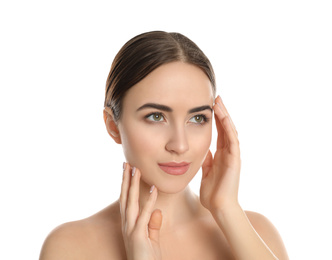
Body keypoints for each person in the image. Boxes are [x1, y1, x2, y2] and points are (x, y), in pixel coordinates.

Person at [39, 31, 289, 260]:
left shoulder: (257, 234)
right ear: (113, 125)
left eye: (197, 118)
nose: (179, 145)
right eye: (156, 116)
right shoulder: (69, 248)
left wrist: (227, 209)